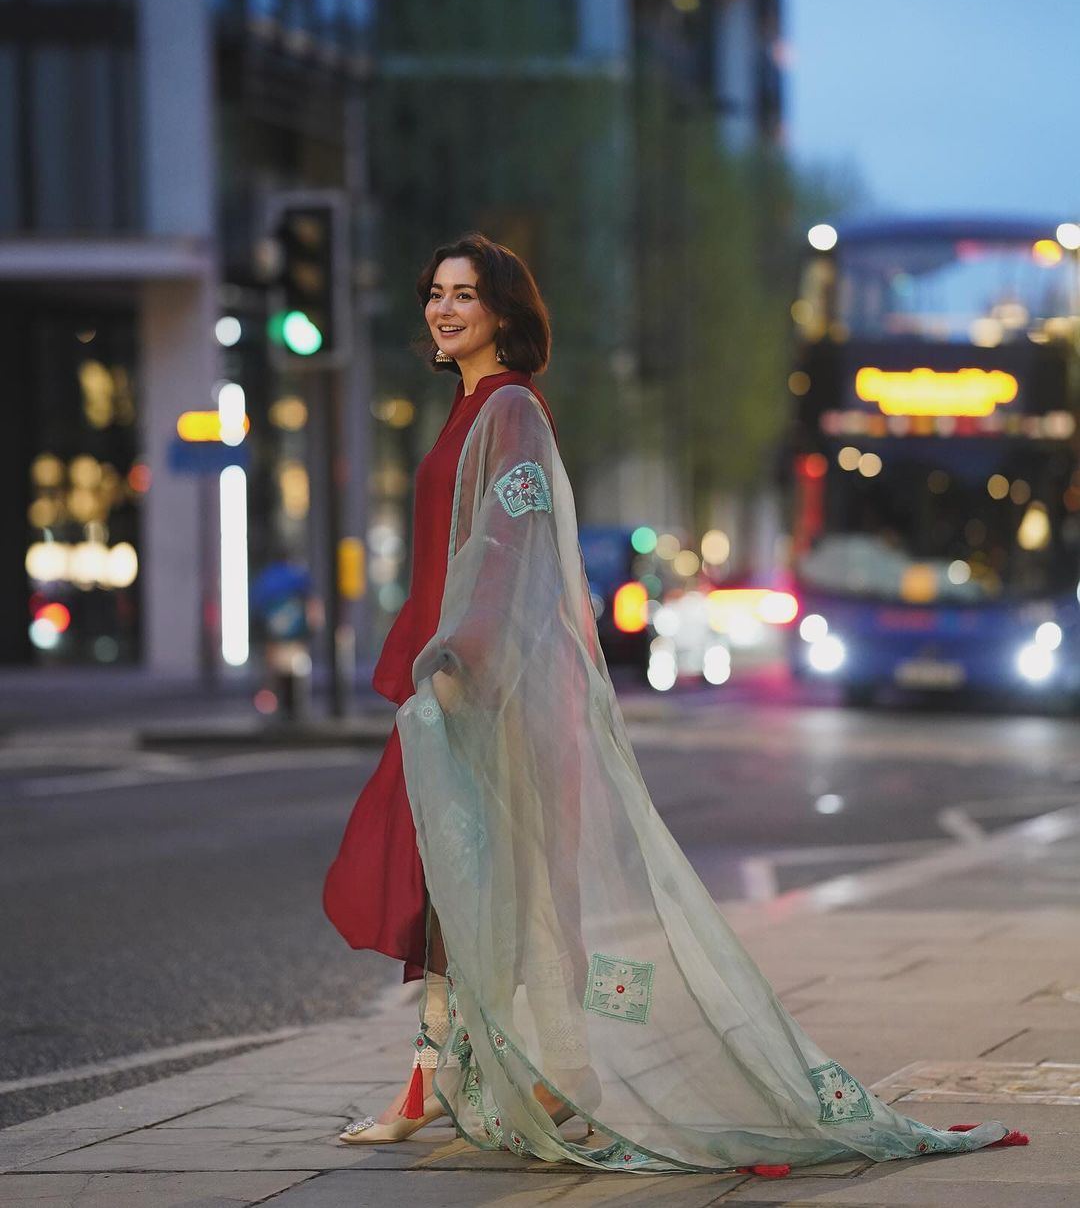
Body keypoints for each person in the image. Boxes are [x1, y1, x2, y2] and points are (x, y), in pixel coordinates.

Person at [323, 234, 1026, 1175]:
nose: (446, 310)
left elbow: (512, 549)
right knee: (454, 884)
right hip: (452, 680)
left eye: (467, 295)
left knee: (516, 888)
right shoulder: (465, 410)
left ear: (503, 311)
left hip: (488, 686)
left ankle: (552, 1077)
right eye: (436, 295)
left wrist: (460, 655)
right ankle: (466, 1080)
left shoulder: (513, 410)